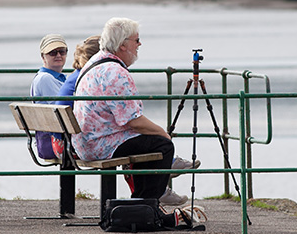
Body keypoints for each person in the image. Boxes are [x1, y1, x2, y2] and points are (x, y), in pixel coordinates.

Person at [73, 17, 194, 207]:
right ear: (122, 45)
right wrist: (163, 134)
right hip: (101, 145)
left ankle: (144, 199)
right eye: (136, 40)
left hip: (85, 142)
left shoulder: (95, 62)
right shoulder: (115, 71)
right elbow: (134, 121)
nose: (139, 44)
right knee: (163, 146)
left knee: (149, 141)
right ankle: (146, 205)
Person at [30, 33, 69, 160]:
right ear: (43, 56)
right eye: (52, 53)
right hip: (58, 143)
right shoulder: (45, 79)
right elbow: (63, 112)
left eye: (62, 52)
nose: (58, 55)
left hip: (57, 139)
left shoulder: (53, 78)